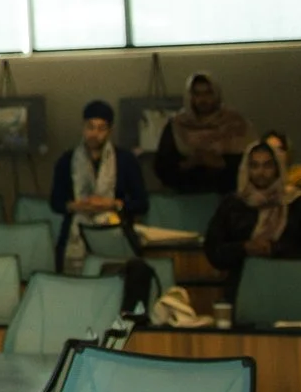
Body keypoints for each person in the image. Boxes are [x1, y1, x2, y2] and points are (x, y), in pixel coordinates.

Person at [202, 141, 301, 284]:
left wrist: (273, 249)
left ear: (277, 168)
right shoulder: (233, 204)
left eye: (267, 166)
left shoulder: (296, 203)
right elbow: (214, 249)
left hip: (291, 281)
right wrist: (244, 248)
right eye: (254, 166)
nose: (260, 172)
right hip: (243, 282)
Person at [49, 101, 150, 271]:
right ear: (83, 127)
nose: (94, 134)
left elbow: (142, 204)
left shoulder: (126, 160)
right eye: (90, 127)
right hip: (75, 232)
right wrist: (77, 206)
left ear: (109, 131)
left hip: (116, 233)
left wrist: (112, 204)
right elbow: (55, 202)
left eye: (101, 128)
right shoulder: (67, 160)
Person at [154, 72, 251, 196]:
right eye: (197, 94)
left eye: (208, 93)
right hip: (186, 196)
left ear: (216, 94)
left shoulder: (235, 122)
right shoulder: (177, 124)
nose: (203, 99)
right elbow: (162, 166)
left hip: (227, 195)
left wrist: (222, 163)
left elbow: (251, 161)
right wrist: (188, 164)